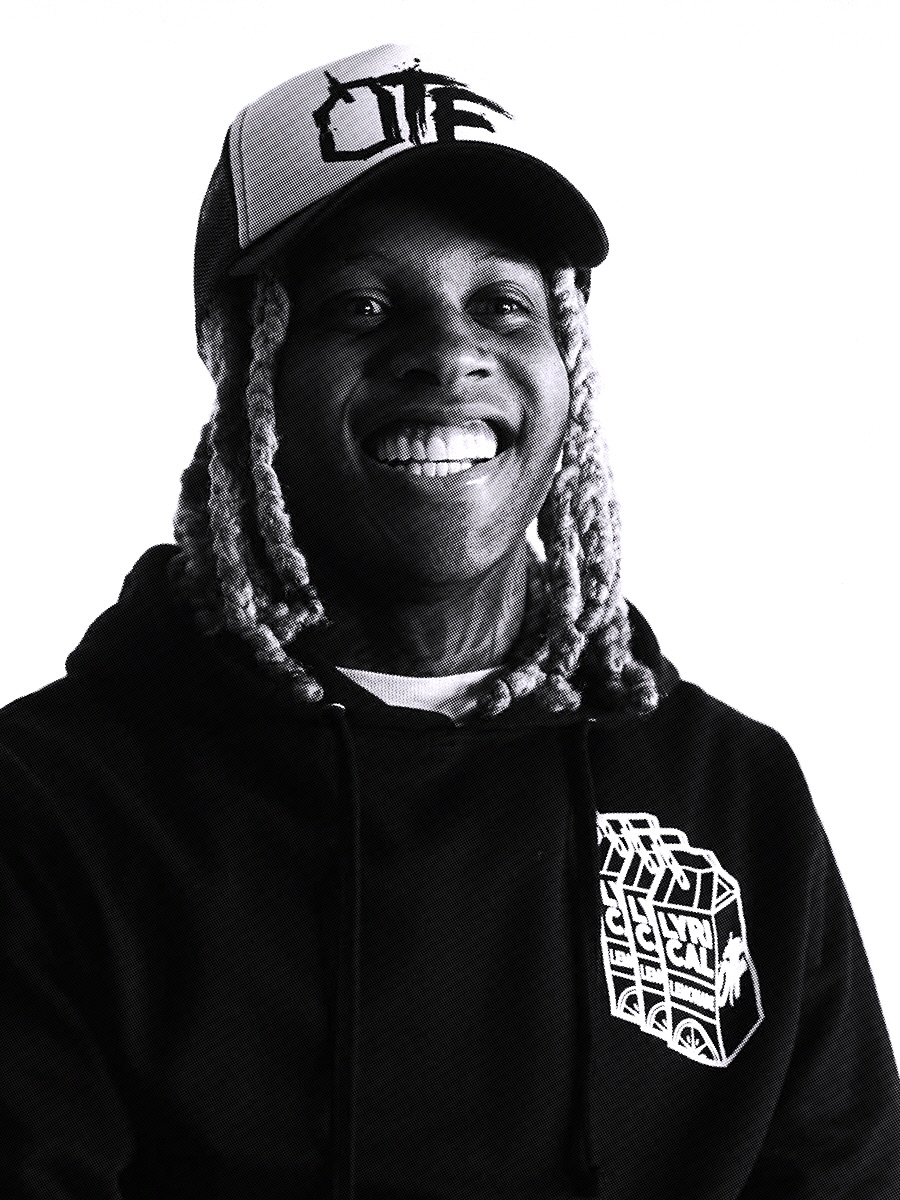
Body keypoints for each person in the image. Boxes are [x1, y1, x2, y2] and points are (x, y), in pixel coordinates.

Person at [1, 42, 898, 1200]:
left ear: (567, 361)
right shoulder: (53, 807)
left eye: (503, 305)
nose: (449, 353)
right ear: (243, 367)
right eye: (362, 306)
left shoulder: (732, 794)